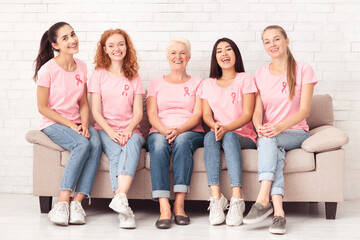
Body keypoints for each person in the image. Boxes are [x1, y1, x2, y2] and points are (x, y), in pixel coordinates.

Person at [243, 25, 317, 235]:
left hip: (295, 132)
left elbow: (304, 110)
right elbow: (257, 113)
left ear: (286, 41)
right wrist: (260, 129)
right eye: (267, 41)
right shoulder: (260, 73)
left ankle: (262, 198)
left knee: (269, 140)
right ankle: (279, 214)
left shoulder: (303, 69)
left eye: (276, 39)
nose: (272, 45)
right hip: (269, 135)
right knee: (271, 147)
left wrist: (277, 127)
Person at [33, 22, 102, 226]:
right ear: (55, 45)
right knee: (82, 144)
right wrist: (72, 125)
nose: (72, 40)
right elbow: (43, 108)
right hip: (53, 122)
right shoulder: (47, 71)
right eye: (65, 38)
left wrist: (85, 125)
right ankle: (62, 204)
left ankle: (77, 203)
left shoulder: (81, 66)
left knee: (95, 143)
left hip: (77, 122)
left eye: (72, 35)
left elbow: (82, 101)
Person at [145, 37, 204, 229]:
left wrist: (179, 130)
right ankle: (164, 208)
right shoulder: (155, 83)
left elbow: (198, 114)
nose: (178, 57)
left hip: (189, 131)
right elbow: (151, 113)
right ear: (167, 57)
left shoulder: (198, 83)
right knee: (160, 144)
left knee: (182, 141)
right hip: (160, 131)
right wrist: (164, 130)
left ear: (188, 57)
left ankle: (179, 205)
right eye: (173, 53)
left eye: (182, 53)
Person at [89, 29, 145, 229]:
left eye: (120, 44)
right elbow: (96, 111)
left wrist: (128, 130)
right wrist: (111, 132)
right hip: (105, 129)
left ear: (126, 47)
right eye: (111, 45)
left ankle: (120, 198)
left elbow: (138, 113)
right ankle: (124, 210)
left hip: (131, 131)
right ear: (104, 49)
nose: (116, 49)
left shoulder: (134, 76)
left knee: (131, 146)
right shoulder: (98, 75)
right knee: (115, 154)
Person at [201, 38, 257, 226]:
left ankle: (237, 199)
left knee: (230, 136)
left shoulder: (245, 79)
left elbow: (248, 114)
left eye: (228, 50)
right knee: (209, 135)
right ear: (215, 58)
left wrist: (226, 128)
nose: (224, 54)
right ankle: (216, 198)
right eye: (219, 51)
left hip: (244, 136)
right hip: (218, 134)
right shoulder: (207, 84)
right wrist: (216, 125)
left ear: (235, 54)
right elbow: (206, 115)